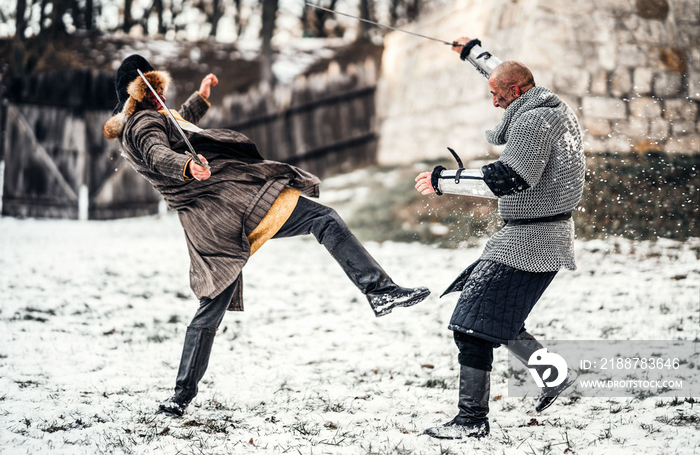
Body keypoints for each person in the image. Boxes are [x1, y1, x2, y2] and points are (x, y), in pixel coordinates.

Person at [103, 54, 430, 417]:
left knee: (214, 302)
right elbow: (159, 151)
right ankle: (379, 290)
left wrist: (201, 97)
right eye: (156, 89)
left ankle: (180, 397)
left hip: (210, 220)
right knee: (324, 220)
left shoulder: (148, 118)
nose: (162, 95)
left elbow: (177, 127)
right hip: (228, 205)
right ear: (140, 93)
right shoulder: (144, 124)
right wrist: (186, 166)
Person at [414, 37, 585, 439]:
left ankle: (471, 421)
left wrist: (444, 181)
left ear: (518, 92)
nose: (493, 103)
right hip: (530, 235)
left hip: (533, 241)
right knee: (496, 315)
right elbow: (504, 73)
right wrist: (472, 51)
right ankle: (555, 377)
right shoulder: (548, 104)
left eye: (497, 95)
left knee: (472, 324)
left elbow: (509, 178)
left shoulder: (532, 122)